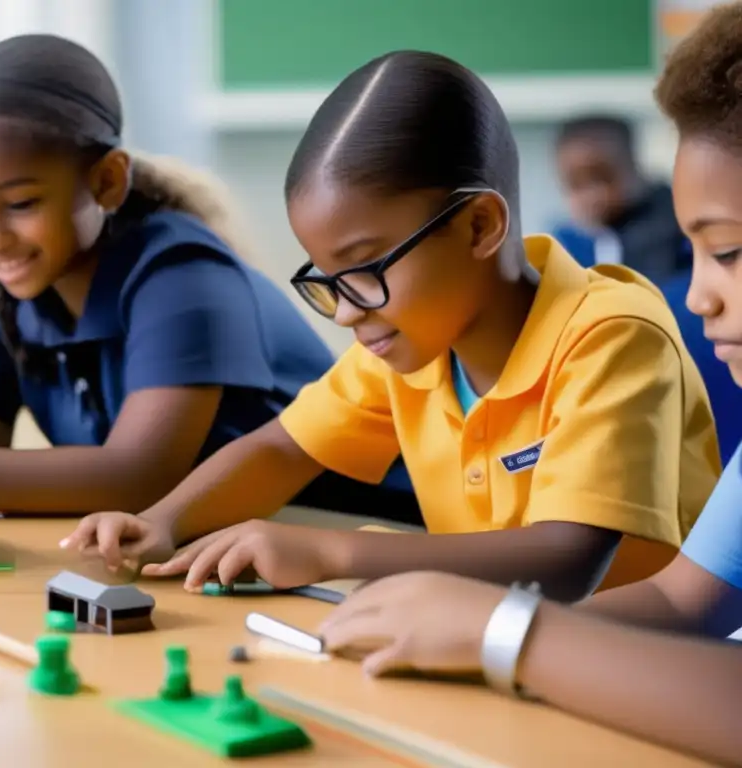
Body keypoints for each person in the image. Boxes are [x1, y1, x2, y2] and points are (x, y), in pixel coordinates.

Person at [61, 49, 721, 601]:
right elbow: (282, 450)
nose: (347, 311)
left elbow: (569, 557)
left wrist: (330, 551)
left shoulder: (611, 335)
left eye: (365, 269)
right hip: (497, 649)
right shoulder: (414, 346)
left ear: (479, 226)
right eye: (328, 279)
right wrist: (161, 523)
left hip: (632, 670)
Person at [304, 8, 742, 766]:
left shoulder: (609, 326)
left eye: (730, 252)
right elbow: (684, 602)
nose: (698, 297)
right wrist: (482, 627)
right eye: (696, 254)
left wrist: (508, 635)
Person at [0, 35, 419, 522]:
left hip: (358, 535)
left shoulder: (181, 272)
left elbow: (139, 476)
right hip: (204, 551)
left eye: (20, 204)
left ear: (106, 180)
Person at [552, 114, 691, 284]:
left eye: (602, 178)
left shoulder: (677, 229)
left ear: (632, 165)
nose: (591, 196)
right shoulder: (566, 244)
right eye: (575, 184)